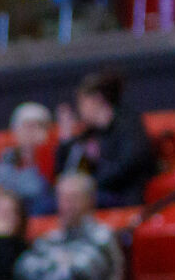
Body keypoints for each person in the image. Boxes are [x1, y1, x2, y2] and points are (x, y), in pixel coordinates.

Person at [56, 70, 157, 209]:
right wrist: (66, 140)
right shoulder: (89, 133)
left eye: (81, 103)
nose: (79, 110)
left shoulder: (128, 125)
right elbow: (66, 173)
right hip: (94, 193)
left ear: (96, 99)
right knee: (50, 202)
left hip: (121, 196)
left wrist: (92, 180)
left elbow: (129, 166)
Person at [0, 102, 55, 217]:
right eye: (27, 126)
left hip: (45, 211)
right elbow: (4, 188)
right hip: (15, 211)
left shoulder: (54, 154)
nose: (31, 132)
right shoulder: (8, 156)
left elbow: (43, 190)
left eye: (38, 126)